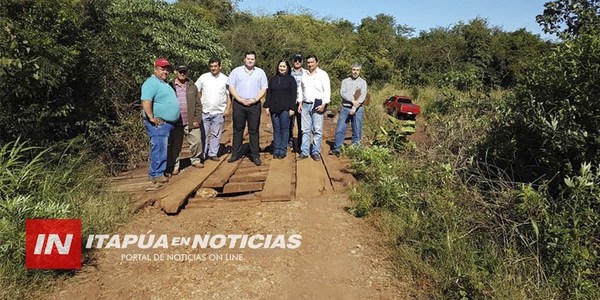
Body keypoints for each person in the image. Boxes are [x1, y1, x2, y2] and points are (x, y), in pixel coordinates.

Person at [141, 58, 180, 185]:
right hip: (158, 123)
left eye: (167, 69)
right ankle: (156, 174)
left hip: (168, 123)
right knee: (158, 146)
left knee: (162, 147)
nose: (165, 71)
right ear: (155, 69)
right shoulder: (151, 83)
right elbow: (146, 100)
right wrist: (151, 117)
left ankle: (161, 171)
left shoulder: (164, 83)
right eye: (162, 69)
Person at [226, 51, 268, 166]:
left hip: (254, 105)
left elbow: (264, 88)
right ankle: (235, 154)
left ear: (255, 60)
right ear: (244, 59)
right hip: (239, 104)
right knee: (238, 129)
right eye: (248, 58)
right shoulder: (236, 71)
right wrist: (239, 99)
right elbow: (231, 86)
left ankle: (255, 155)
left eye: (252, 59)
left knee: (253, 130)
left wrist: (255, 99)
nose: (250, 61)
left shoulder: (260, 73)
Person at [166, 64, 203, 176]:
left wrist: (197, 119)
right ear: (176, 72)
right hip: (176, 121)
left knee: (197, 141)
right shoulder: (170, 86)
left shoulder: (192, 86)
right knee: (175, 145)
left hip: (191, 120)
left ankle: (196, 160)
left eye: (184, 71)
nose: (182, 73)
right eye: (180, 71)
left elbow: (198, 104)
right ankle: (175, 166)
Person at [195, 57, 231, 161]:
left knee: (216, 134)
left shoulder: (225, 79)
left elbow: (229, 95)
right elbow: (196, 91)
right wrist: (198, 104)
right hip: (205, 111)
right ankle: (203, 154)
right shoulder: (203, 77)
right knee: (203, 134)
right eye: (211, 66)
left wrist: (228, 108)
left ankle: (213, 153)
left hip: (219, 111)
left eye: (215, 66)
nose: (213, 68)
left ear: (220, 66)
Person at [330, 62, 368, 156]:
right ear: (351, 70)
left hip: (358, 109)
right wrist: (352, 100)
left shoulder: (363, 82)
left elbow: (363, 96)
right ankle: (337, 148)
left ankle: (355, 149)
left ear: (360, 71)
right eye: (354, 70)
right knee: (340, 128)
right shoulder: (345, 81)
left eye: (357, 70)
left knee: (357, 129)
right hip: (345, 108)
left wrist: (355, 107)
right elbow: (343, 93)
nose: (355, 72)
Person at [298, 55, 331, 161]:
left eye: (312, 62)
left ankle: (315, 151)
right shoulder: (304, 74)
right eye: (308, 62)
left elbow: (327, 90)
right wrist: (300, 102)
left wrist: (324, 104)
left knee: (317, 130)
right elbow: (300, 90)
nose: (310, 64)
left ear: (317, 62)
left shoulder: (323, 74)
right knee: (305, 130)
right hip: (306, 104)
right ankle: (304, 152)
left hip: (318, 104)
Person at [264, 59, 297, 159]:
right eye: (280, 66)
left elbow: (293, 95)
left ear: (287, 68)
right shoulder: (273, 79)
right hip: (274, 108)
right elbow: (269, 93)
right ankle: (276, 149)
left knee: (285, 129)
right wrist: (267, 106)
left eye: (284, 66)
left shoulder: (291, 79)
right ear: (277, 67)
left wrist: (292, 108)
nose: (281, 68)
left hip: (285, 108)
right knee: (276, 129)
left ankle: (282, 149)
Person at [289, 54, 307, 152]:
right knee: (289, 124)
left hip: (301, 102)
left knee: (301, 125)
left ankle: (300, 144)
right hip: (289, 102)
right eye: (295, 60)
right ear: (293, 61)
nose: (297, 62)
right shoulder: (288, 72)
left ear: (302, 62)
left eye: (299, 60)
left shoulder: (306, 73)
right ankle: (290, 142)